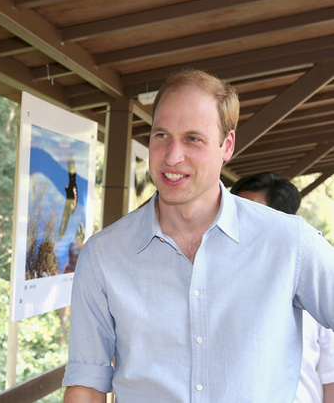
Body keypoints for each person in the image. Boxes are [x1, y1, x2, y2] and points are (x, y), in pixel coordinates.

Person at [62, 69, 334, 403]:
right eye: (162, 135)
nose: (172, 156)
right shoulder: (104, 255)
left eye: (193, 138)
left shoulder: (290, 242)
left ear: (227, 145)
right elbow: (86, 384)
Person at [231, 172, 334, 403]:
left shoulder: (317, 284)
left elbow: (331, 378)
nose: (239, 222)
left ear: (283, 221)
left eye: (253, 214)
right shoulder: (213, 283)